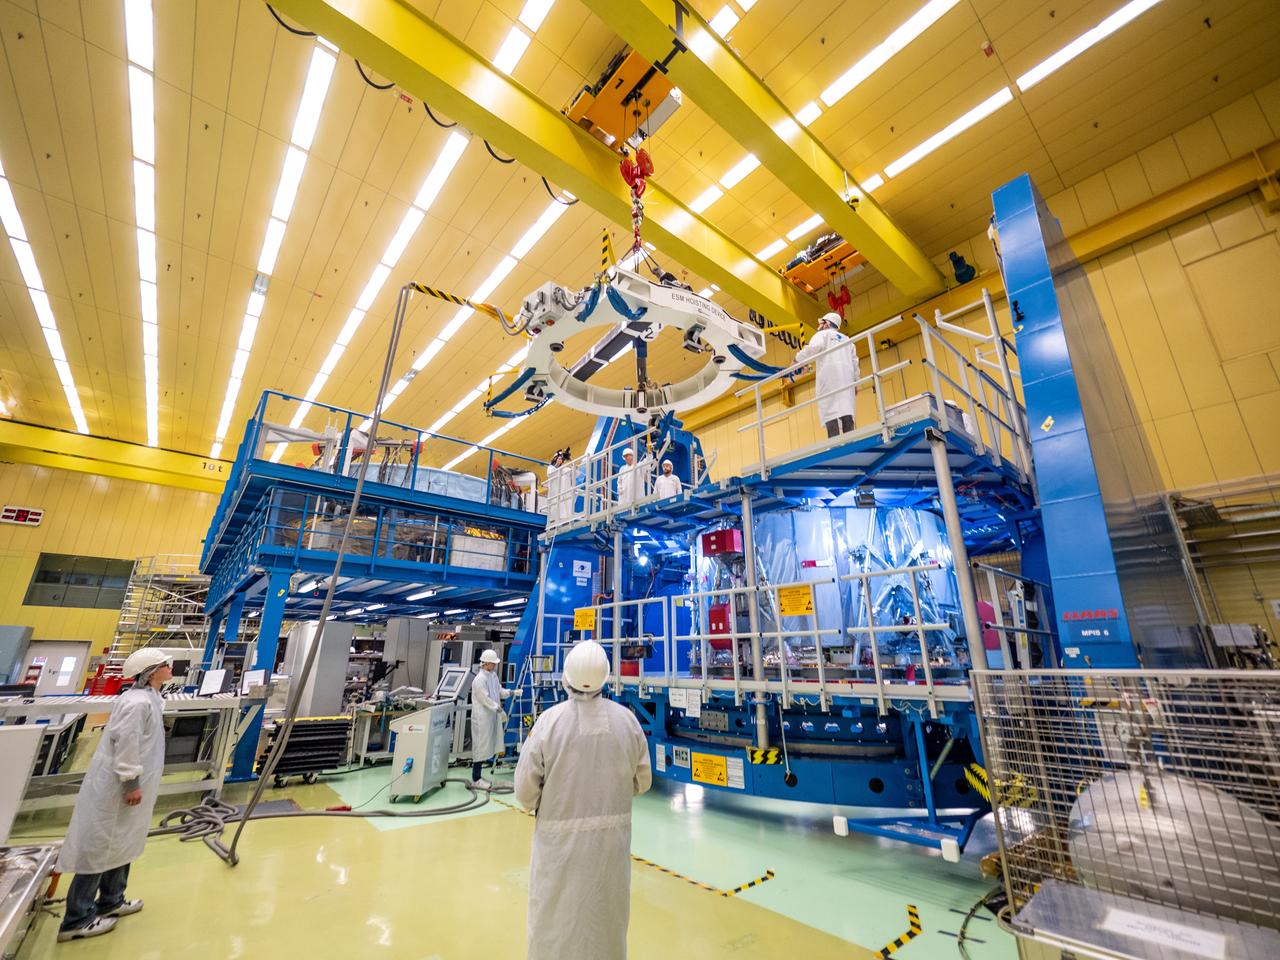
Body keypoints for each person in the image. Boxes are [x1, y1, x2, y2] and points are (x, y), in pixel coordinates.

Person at [515, 641, 651, 960]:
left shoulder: (548, 723)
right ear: (607, 677)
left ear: (566, 678)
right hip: (610, 848)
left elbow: (524, 793)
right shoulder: (628, 722)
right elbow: (642, 781)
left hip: (558, 849)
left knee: (555, 924)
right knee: (606, 922)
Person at [56, 649, 172, 942]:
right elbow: (127, 745)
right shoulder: (135, 704)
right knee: (99, 846)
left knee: (122, 841)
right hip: (118, 788)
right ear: (151, 672)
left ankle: (112, 900)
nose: (170, 668)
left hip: (135, 785)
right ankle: (77, 918)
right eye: (165, 665)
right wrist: (130, 783)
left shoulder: (150, 700)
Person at [795, 311, 859, 437]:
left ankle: (834, 443)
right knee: (846, 411)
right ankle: (851, 441)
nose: (819, 326)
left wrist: (796, 360)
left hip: (829, 380)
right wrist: (856, 382)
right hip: (846, 381)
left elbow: (812, 349)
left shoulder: (823, 335)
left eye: (821, 323)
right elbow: (855, 363)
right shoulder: (848, 341)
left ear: (826, 324)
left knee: (830, 411)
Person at [469, 648, 510, 788]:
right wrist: (498, 708)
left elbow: (498, 691)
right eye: (493, 663)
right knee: (480, 747)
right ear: (486, 663)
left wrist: (511, 692)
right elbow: (484, 699)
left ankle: (479, 777)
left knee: (488, 746)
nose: (495, 666)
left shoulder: (492, 676)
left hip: (491, 716)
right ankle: (476, 779)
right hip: (482, 719)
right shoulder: (479, 680)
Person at [546, 447, 576, 526]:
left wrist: (570, 459)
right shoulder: (551, 468)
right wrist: (557, 465)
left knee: (565, 510)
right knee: (555, 510)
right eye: (558, 458)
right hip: (555, 495)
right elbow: (550, 474)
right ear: (555, 459)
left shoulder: (565, 469)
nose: (560, 460)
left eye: (561, 459)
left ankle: (566, 521)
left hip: (564, 496)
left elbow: (575, 472)